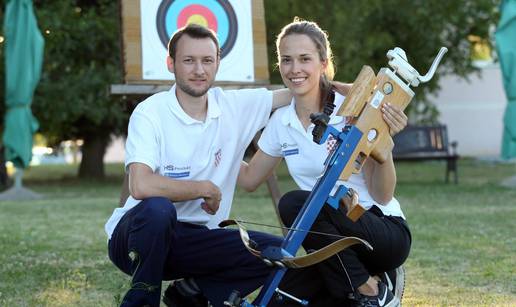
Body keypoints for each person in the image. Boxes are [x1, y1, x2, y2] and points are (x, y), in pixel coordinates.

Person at [104, 23, 351, 307]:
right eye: (188, 60)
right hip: (136, 239)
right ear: (171, 63)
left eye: (207, 60)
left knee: (277, 253)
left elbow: (303, 88)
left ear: (218, 63)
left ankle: (191, 292)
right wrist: (202, 188)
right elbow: (140, 185)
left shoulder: (234, 106)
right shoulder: (150, 112)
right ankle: (142, 298)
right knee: (158, 209)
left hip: (194, 241)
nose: (199, 70)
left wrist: (364, 95)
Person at [238, 18, 412, 307]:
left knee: (294, 204)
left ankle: (372, 290)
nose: (295, 69)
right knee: (278, 301)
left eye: (305, 59)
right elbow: (249, 180)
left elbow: (382, 195)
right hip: (328, 246)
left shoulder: (353, 110)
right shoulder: (282, 121)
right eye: (286, 60)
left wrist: (384, 145)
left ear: (323, 62)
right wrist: (215, 143)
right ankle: (360, 286)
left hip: (381, 232)